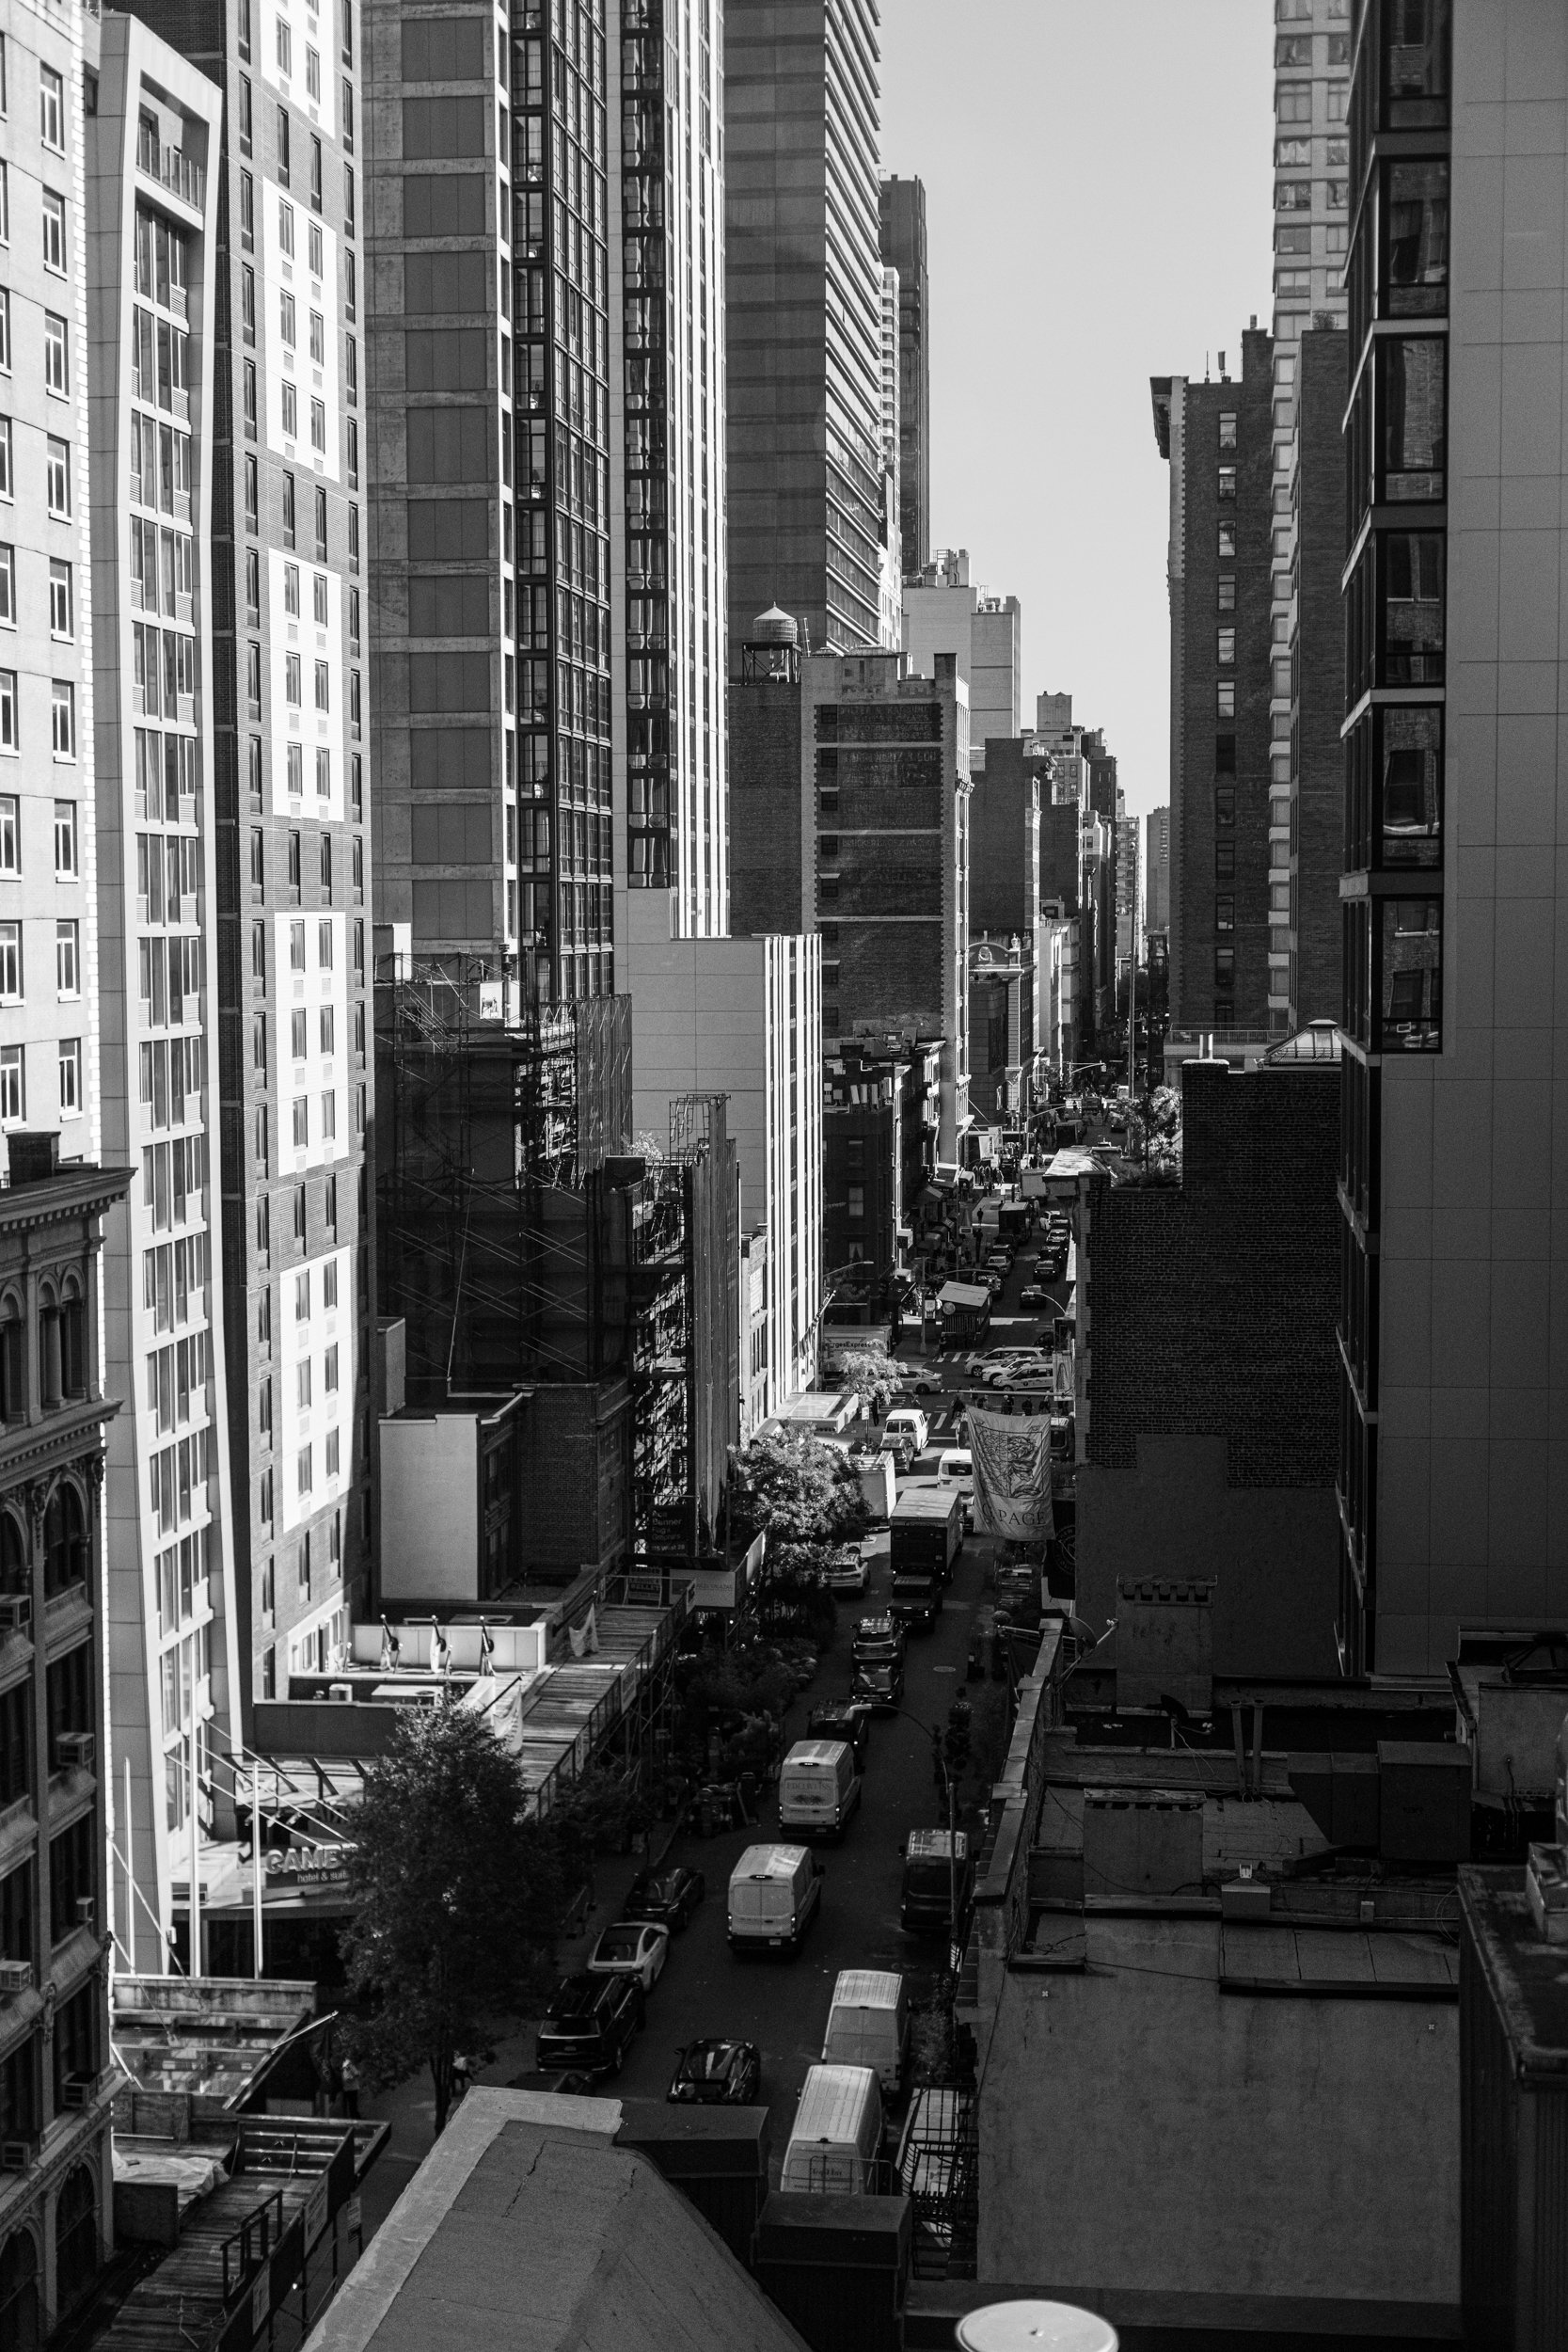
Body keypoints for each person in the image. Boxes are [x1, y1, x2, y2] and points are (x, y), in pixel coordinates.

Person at [340, 2054, 360, 2120]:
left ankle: (354, 2117)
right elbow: (356, 2074)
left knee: (351, 2104)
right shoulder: (347, 2065)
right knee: (351, 2104)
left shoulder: (349, 2065)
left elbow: (356, 2074)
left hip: (350, 2088)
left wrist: (350, 2077)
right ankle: (353, 2117)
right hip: (349, 2088)